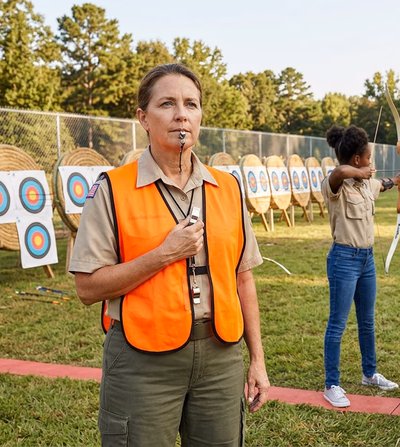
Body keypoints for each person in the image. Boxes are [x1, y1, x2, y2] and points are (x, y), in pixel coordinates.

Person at [69, 63, 270, 447]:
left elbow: (243, 277)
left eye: (191, 104)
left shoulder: (228, 188)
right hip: (141, 361)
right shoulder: (113, 188)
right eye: (167, 103)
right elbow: (87, 288)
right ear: (143, 118)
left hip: (221, 356)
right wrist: (162, 255)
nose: (181, 113)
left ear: (200, 116)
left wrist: (256, 360)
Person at [321, 124, 400, 408]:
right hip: (343, 260)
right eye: (368, 157)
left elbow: (381, 183)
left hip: (366, 260)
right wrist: (361, 173)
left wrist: (396, 180)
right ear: (357, 159)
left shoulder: (367, 183)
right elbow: (340, 172)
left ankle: (370, 373)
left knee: (367, 321)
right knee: (337, 324)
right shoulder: (336, 185)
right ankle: (331, 384)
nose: (371, 162)